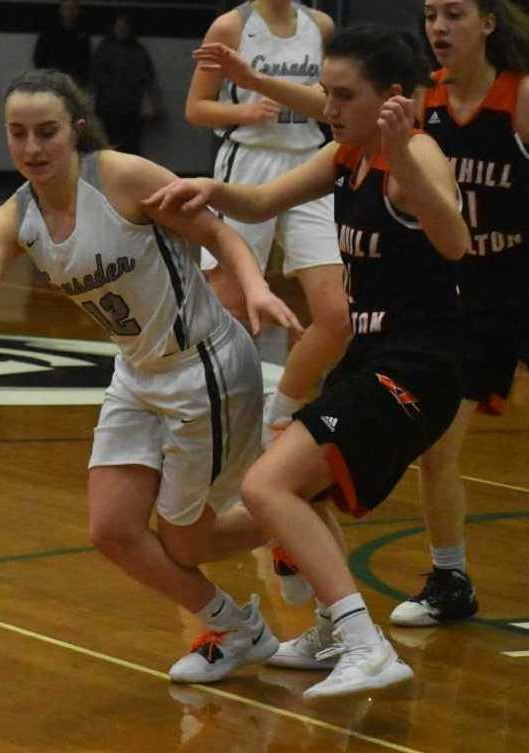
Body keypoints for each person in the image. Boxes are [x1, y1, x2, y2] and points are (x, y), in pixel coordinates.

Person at [0, 69, 305, 684]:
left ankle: (297, 510)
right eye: (17, 134)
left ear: (74, 130)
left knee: (187, 546)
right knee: (112, 530)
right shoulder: (15, 217)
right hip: (137, 374)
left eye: (46, 132)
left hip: (202, 365)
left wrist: (254, 288)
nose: (32, 148)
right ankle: (238, 628)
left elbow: (217, 232)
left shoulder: (121, 176)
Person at [145, 25, 470, 698]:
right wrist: (205, 187)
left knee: (267, 485)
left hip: (420, 365)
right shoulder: (344, 155)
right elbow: (262, 200)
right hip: (373, 360)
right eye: (324, 92)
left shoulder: (416, 154)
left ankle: (363, 643)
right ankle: (329, 627)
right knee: (289, 483)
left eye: (343, 96)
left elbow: (455, 239)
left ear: (392, 99)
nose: (327, 107)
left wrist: (401, 154)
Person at [389, 0, 529, 626]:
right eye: (430, 15)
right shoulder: (427, 102)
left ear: (489, 23)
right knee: (436, 447)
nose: (438, 27)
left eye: (454, 14)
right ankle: (450, 579)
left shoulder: (520, 96)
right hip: (466, 289)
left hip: (522, 272)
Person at [185, 0, 350, 451]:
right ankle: (213, 422)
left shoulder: (321, 25)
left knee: (337, 314)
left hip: (311, 166)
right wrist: (244, 112)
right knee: (229, 308)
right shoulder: (230, 25)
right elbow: (196, 109)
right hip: (248, 162)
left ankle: (281, 410)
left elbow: (334, 99)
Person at [90, 13, 159, 155]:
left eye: (124, 27)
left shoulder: (135, 49)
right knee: (112, 146)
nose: (121, 30)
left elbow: (147, 77)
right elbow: (96, 76)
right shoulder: (107, 48)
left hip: (130, 107)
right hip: (111, 107)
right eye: (119, 26)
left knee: (130, 147)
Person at [32, 0, 91, 87]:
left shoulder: (82, 33)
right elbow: (39, 57)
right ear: (60, 10)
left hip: (74, 81)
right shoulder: (49, 32)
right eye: (67, 8)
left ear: (78, 11)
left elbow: (86, 60)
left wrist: (80, 78)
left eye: (73, 9)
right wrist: (46, 76)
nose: (70, 12)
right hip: (51, 79)